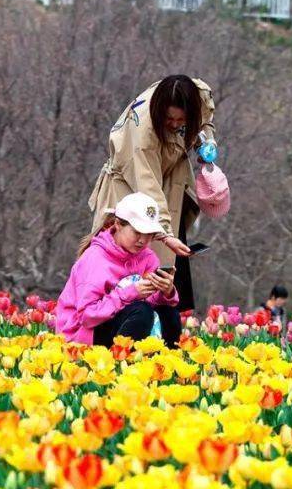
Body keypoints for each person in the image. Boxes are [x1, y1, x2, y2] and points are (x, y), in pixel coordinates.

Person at [89, 74, 216, 312]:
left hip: (171, 185)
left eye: (182, 119)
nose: (176, 124)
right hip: (129, 190)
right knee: (125, 264)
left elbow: (206, 119)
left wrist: (206, 142)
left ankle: (166, 321)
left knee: (168, 273)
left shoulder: (198, 95)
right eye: (169, 119)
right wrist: (165, 234)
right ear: (159, 112)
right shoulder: (143, 133)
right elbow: (148, 189)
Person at [56, 191, 182, 348]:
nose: (143, 240)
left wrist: (166, 292)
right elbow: (86, 316)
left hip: (124, 323)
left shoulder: (148, 257)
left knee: (170, 314)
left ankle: (164, 366)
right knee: (141, 312)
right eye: (137, 232)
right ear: (118, 224)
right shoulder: (95, 258)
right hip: (83, 336)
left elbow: (150, 303)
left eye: (149, 234)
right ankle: (122, 366)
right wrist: (130, 293)